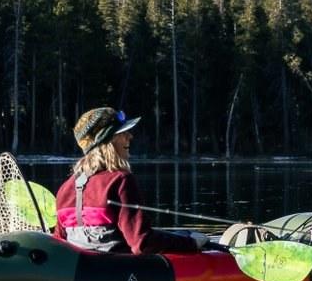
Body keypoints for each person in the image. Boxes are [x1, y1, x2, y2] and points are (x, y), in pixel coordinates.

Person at [51, 107, 211, 254]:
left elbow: (59, 243)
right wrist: (190, 243)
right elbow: (142, 243)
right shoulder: (120, 180)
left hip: (83, 271)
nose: (130, 136)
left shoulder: (65, 189)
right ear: (107, 142)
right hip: (123, 270)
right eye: (122, 133)